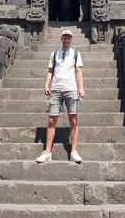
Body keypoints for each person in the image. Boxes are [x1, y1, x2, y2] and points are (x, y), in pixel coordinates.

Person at [36, 29, 85, 163]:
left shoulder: (75, 54)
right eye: (64, 38)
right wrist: (47, 85)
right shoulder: (54, 54)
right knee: (52, 120)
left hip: (71, 89)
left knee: (73, 120)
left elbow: (78, 71)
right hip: (56, 89)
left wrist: (81, 88)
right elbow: (50, 71)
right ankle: (48, 152)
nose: (66, 40)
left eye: (69, 38)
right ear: (61, 39)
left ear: (72, 40)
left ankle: (74, 151)